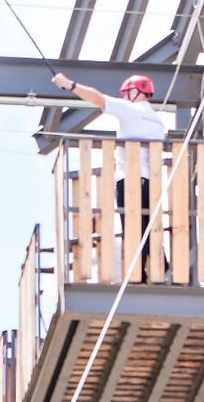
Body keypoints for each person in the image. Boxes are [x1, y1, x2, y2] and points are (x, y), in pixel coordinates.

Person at [51, 70, 167, 280]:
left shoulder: (132, 110)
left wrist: (69, 84)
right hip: (151, 181)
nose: (124, 96)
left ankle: (139, 275)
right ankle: (161, 267)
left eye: (126, 92)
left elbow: (97, 98)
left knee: (132, 228)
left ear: (135, 91)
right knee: (147, 226)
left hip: (130, 179)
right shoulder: (156, 120)